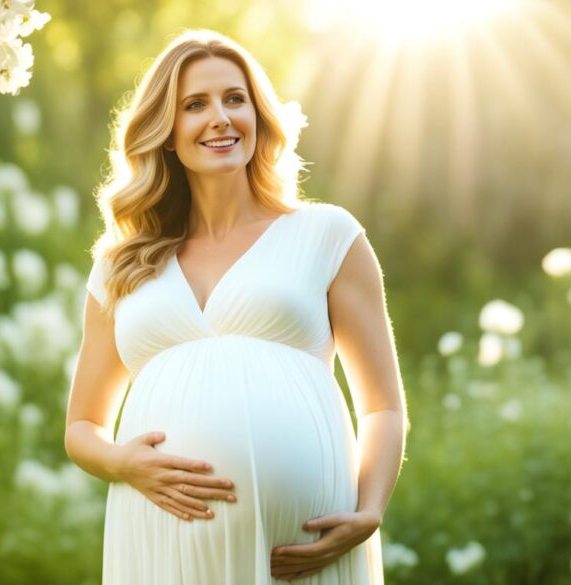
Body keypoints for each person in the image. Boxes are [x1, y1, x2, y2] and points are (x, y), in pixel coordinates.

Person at [63, 28, 408, 584]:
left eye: (235, 98)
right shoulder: (122, 265)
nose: (220, 117)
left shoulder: (327, 235)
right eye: (195, 105)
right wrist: (123, 462)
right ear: (167, 134)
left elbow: (382, 407)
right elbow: (82, 425)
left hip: (305, 547)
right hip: (162, 536)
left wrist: (370, 511)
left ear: (258, 117)